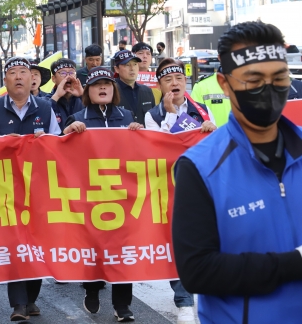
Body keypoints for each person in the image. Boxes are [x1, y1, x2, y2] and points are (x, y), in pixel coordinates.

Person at [173, 21, 302, 324]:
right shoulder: (199, 167)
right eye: (253, 79)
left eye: (279, 77)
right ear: (224, 83)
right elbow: (197, 271)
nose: (269, 89)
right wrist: (294, 263)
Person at [0, 57, 60, 322]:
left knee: (36, 243)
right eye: (13, 73)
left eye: (24, 72)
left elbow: (58, 145)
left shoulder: (45, 108)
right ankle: (18, 304)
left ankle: (31, 299)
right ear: (6, 80)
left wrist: (44, 142)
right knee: (14, 243)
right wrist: (2, 143)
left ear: (32, 78)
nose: (19, 77)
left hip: (39, 186)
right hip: (5, 187)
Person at [63, 67, 140, 322]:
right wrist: (68, 132)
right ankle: (92, 289)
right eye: (97, 85)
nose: (103, 88)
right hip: (90, 196)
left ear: (114, 89)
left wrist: (139, 133)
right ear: (88, 91)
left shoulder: (126, 115)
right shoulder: (77, 116)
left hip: (122, 195)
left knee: (123, 249)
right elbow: (58, 153)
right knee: (94, 247)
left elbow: (141, 153)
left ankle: (122, 305)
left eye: (107, 84)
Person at [144, 59, 214, 324]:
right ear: (160, 85)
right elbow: (158, 148)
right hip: (168, 186)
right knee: (176, 241)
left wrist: (209, 129)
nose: (175, 84)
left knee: (205, 238)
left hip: (201, 184)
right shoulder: (154, 115)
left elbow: (215, 143)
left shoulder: (203, 110)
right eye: (168, 81)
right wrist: (172, 113)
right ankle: (183, 301)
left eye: (179, 80)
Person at [113, 50, 156, 126]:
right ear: (117, 69)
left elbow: (154, 118)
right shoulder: (111, 91)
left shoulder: (147, 91)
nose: (132, 68)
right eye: (127, 65)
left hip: (144, 136)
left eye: (135, 64)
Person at [46, 58, 85, 132]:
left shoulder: (81, 98)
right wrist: (56, 96)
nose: (68, 77)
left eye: (71, 73)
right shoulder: (46, 100)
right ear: (53, 79)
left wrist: (83, 96)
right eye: (63, 73)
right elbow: (42, 117)